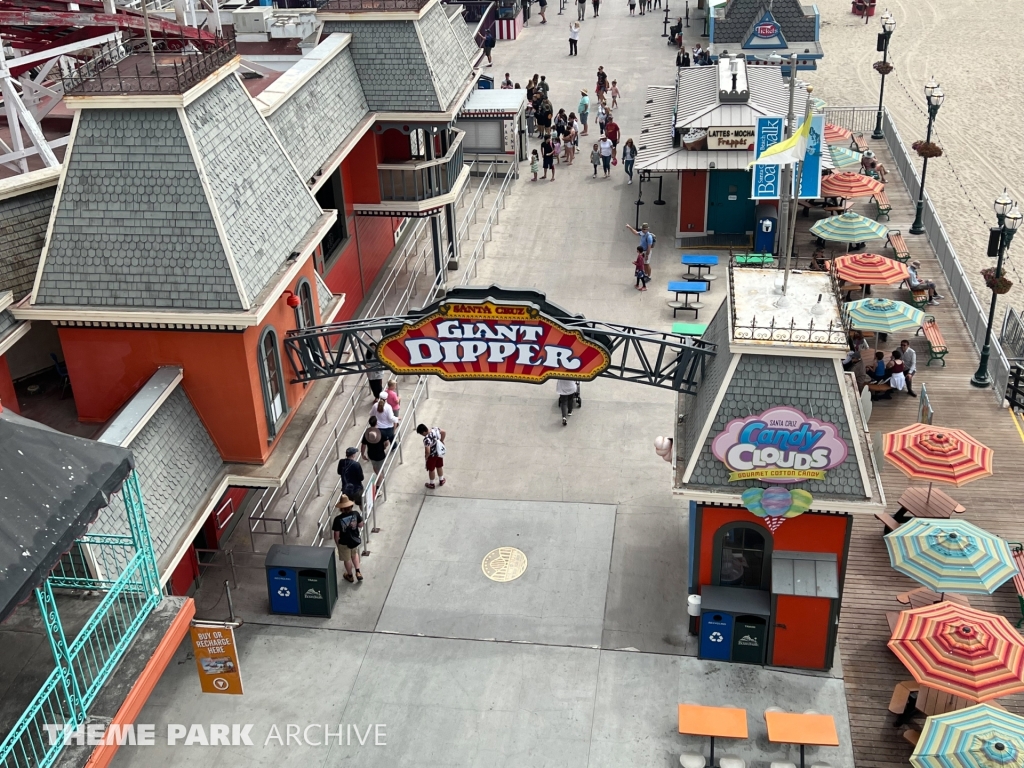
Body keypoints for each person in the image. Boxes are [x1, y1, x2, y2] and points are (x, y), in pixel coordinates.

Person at [332, 495, 363, 583]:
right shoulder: (356, 514)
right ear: (351, 506)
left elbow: (336, 535)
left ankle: (349, 575)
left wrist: (338, 544)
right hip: (354, 540)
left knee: (347, 559)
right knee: (354, 554)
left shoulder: (337, 519)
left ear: (341, 508)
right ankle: (358, 571)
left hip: (344, 542)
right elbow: (360, 525)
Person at [417, 423, 446, 489]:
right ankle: (441, 480)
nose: (422, 435)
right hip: (439, 453)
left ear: (424, 432)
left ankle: (432, 484)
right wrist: (441, 441)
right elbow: (444, 432)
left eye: (421, 434)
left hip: (432, 456)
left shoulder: (426, 439)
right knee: (439, 466)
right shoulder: (435, 429)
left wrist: (426, 457)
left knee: (431, 469)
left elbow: (428, 451)